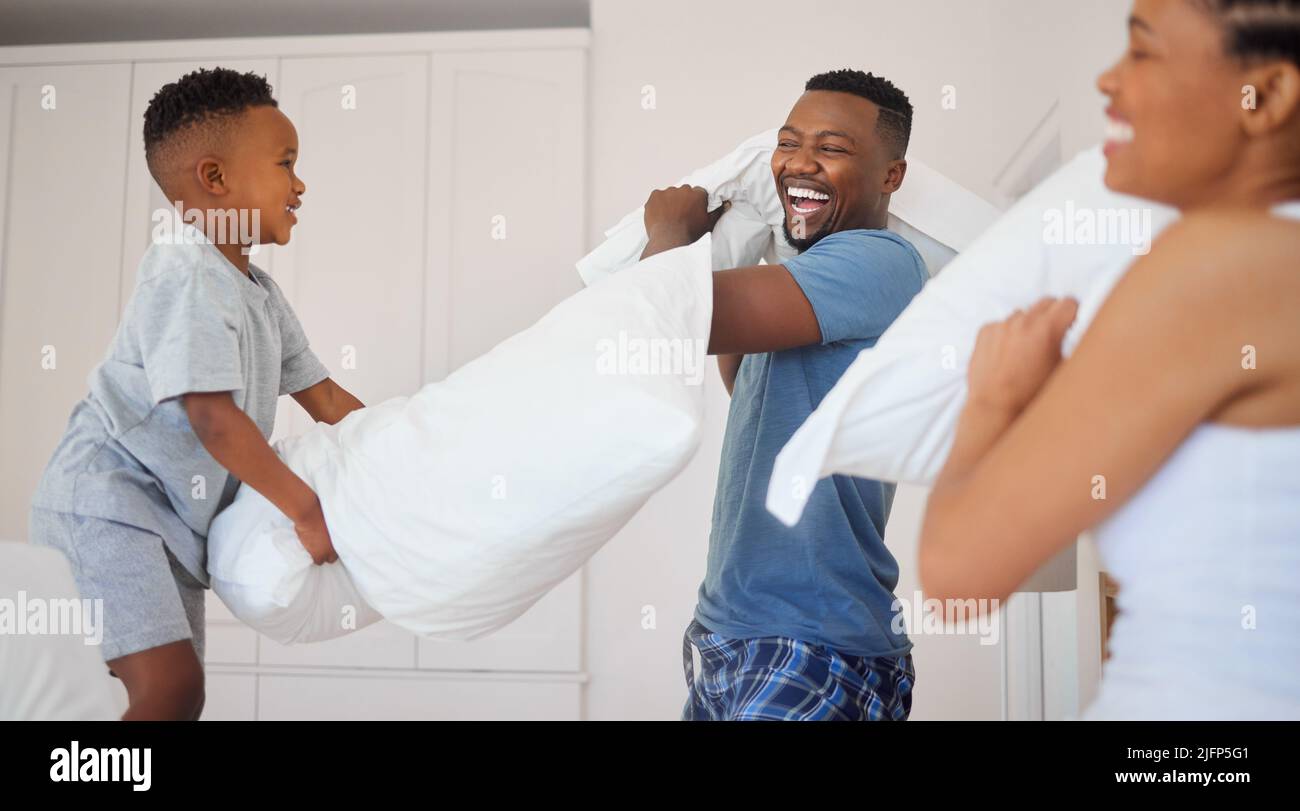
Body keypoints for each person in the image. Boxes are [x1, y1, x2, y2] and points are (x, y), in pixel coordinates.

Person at [918, 0, 1300, 719]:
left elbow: (956, 577)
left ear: (1267, 96)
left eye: (1143, 52)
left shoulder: (1216, 263)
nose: (1107, 79)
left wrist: (993, 399)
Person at [28, 68, 365, 720]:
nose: (300, 184)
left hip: (173, 529)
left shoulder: (261, 294)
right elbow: (212, 417)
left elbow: (323, 396)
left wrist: (400, 444)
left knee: (168, 700)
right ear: (215, 179)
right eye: (285, 163)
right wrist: (305, 508)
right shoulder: (184, 267)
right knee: (170, 690)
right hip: (110, 503)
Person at [641, 69, 928, 720]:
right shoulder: (803, 284)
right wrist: (750, 236)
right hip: (727, 631)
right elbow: (747, 383)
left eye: (831, 148)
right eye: (788, 142)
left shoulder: (880, 263)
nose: (800, 161)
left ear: (891, 176)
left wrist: (668, 229)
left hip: (812, 641)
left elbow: (669, 317)